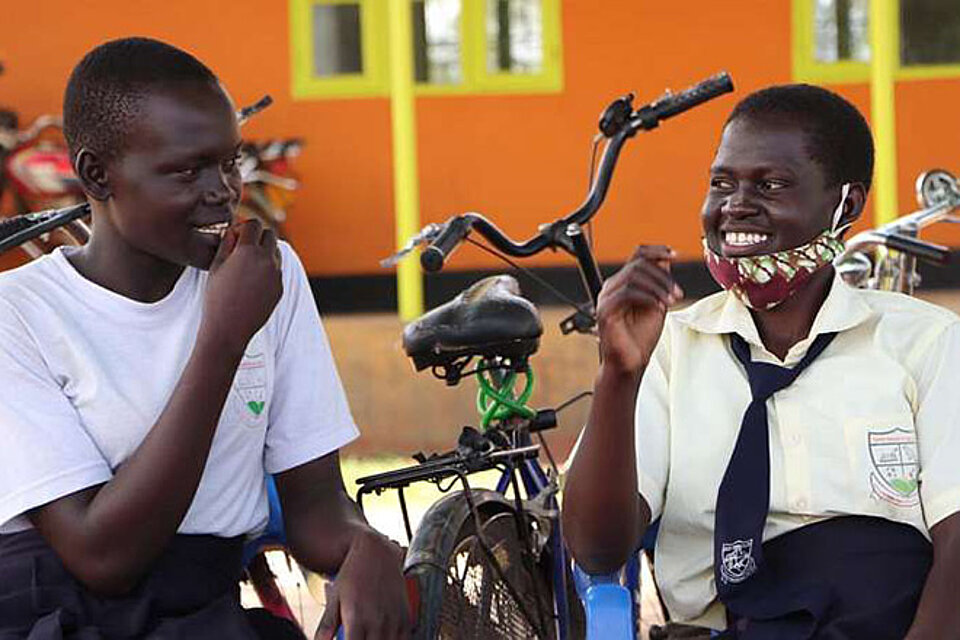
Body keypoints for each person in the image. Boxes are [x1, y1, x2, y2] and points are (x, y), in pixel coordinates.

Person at [0, 38, 410, 639]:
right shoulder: (20, 313)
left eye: (229, 162)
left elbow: (316, 506)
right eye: (186, 170)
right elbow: (102, 558)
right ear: (96, 174)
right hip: (51, 610)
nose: (222, 189)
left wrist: (365, 546)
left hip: (200, 608)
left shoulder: (269, 275)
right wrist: (223, 339)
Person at [562, 84, 960, 639]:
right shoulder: (670, 349)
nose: (735, 205)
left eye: (771, 184)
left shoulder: (924, 343)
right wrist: (618, 376)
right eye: (721, 183)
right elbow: (596, 549)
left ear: (846, 204)